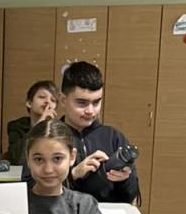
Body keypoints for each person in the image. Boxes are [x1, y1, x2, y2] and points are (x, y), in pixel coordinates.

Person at [25, 119, 107, 214]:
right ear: (28, 159)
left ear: (72, 157)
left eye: (57, 159)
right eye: (38, 159)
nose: (48, 169)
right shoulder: (15, 204)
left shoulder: (84, 205)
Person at [58, 61, 140, 204]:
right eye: (82, 103)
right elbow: (31, 190)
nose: (90, 111)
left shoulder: (114, 137)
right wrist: (73, 175)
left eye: (96, 102)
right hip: (62, 213)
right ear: (63, 100)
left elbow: (131, 196)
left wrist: (124, 180)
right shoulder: (47, 138)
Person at [7, 80, 58, 165]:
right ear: (29, 103)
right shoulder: (16, 126)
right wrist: (39, 125)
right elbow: (17, 159)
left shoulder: (59, 129)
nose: (47, 101)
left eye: (53, 100)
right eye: (42, 97)